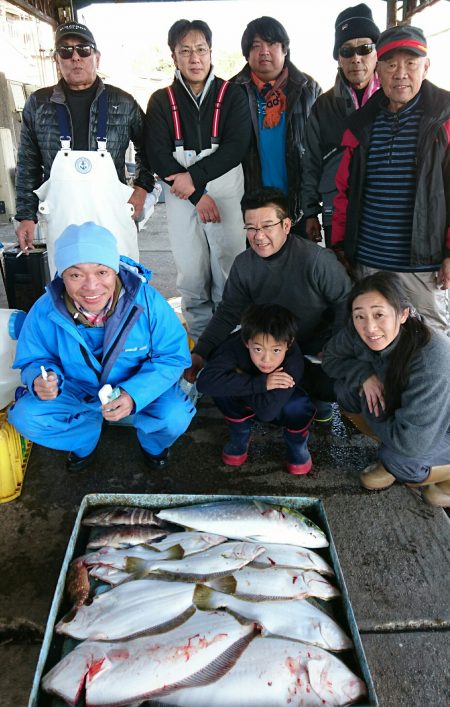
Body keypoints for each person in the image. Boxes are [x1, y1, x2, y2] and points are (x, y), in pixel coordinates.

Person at [8, 222, 195, 473]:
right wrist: (40, 380)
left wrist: (133, 395)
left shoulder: (147, 302)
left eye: (102, 272)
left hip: (137, 387)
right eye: (76, 275)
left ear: (115, 271)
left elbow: (173, 356)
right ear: (62, 275)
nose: (91, 286)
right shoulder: (44, 309)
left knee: (175, 415)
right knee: (25, 417)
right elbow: (34, 358)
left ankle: (153, 445)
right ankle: (85, 439)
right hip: (77, 391)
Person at [186, 187, 352, 420]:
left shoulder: (317, 260)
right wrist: (201, 352)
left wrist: (336, 346)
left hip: (314, 347)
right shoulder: (244, 264)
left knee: (332, 386)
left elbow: (346, 302)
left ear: (286, 225)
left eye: (267, 226)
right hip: (267, 348)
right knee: (217, 366)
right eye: (251, 228)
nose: (259, 236)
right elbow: (228, 312)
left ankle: (314, 398)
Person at [332, 25, 450, 334]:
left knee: (432, 341)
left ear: (426, 67)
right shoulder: (360, 125)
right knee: (375, 339)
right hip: (369, 262)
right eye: (390, 63)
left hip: (423, 266)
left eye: (410, 63)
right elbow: (344, 191)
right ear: (377, 71)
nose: (400, 73)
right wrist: (341, 244)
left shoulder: (444, 120)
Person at [14, 21, 155, 275]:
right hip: (63, 216)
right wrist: (25, 215)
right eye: (66, 51)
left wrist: (142, 189)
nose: (75, 57)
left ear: (97, 57)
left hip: (112, 215)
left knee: (121, 278)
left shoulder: (123, 102)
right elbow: (28, 164)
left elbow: (151, 149)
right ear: (57, 59)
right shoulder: (38, 104)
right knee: (70, 282)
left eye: (83, 49)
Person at [145, 19, 251, 341]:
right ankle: (202, 348)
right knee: (191, 272)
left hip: (221, 182)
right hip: (180, 191)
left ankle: (231, 342)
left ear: (210, 52)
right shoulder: (161, 100)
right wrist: (195, 194)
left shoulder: (233, 94)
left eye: (201, 50)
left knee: (228, 265)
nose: (194, 58)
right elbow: (157, 153)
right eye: (185, 51)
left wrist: (196, 181)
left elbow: (236, 146)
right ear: (173, 57)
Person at [322, 272, 450, 507]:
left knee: (402, 460)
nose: (370, 327)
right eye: (359, 316)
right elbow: (330, 358)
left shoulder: (432, 356)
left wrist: (368, 402)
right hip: (408, 416)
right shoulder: (357, 329)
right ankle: (389, 453)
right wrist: (364, 377)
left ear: (403, 314)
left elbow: (411, 442)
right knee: (343, 389)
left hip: (440, 427)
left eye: (379, 314)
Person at [196, 304, 316, 474]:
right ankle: (240, 432)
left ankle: (297, 442)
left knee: (298, 406)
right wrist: (261, 383)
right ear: (246, 342)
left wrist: (236, 379)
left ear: (288, 344)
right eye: (258, 349)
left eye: (276, 350)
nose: (266, 359)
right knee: (221, 390)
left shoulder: (293, 360)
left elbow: (267, 413)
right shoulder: (233, 346)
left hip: (278, 402)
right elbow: (204, 383)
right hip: (260, 393)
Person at [233, 16, 321, 236]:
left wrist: (312, 208)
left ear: (285, 50)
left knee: (298, 267)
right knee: (256, 268)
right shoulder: (233, 91)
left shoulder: (309, 90)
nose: (264, 51)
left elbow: (320, 147)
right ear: (247, 54)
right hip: (251, 205)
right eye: (256, 46)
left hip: (297, 204)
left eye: (272, 44)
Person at [303, 3, 380, 246]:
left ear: (377, 52)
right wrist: (309, 212)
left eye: (364, 48)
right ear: (338, 58)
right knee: (342, 279)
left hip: (382, 210)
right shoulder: (322, 106)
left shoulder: (393, 99)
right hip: (335, 210)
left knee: (380, 282)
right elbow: (310, 162)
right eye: (347, 51)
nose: (356, 58)